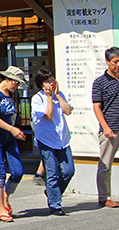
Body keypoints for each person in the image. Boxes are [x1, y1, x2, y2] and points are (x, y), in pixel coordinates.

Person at [0, 65, 27, 223]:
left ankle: (6, 195)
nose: (17, 87)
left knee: (17, 172)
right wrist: (12, 129)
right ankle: (2, 208)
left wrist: (15, 130)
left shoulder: (9, 95)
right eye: (16, 83)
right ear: (8, 79)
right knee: (0, 173)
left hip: (9, 137)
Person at [31, 67, 74, 216]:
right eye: (48, 82)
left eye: (52, 80)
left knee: (69, 170)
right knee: (51, 172)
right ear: (41, 84)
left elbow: (67, 111)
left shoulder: (59, 95)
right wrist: (49, 97)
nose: (51, 84)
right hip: (46, 140)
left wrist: (57, 95)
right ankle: (55, 205)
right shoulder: (38, 99)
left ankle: (52, 192)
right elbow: (48, 115)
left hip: (62, 140)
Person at [93, 46, 119, 207]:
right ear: (107, 62)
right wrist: (105, 127)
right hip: (110, 129)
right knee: (105, 164)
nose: (118, 65)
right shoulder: (100, 82)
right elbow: (97, 107)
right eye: (115, 62)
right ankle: (104, 197)